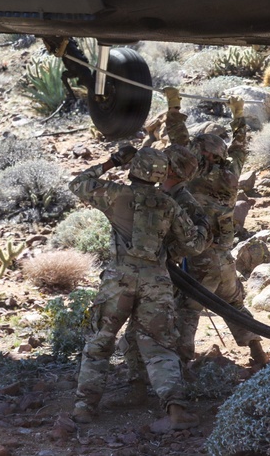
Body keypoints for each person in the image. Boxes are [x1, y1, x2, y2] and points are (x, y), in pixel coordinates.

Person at [69, 145, 205, 429]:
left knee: (100, 340)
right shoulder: (169, 204)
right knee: (160, 346)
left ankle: (85, 408)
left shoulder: (117, 194)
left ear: (135, 168)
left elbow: (77, 183)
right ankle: (176, 410)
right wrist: (202, 224)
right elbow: (194, 244)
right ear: (161, 173)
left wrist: (112, 161)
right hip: (157, 283)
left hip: (118, 281)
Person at [161, 87, 269, 367]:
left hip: (199, 257)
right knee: (234, 306)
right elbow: (240, 147)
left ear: (200, 154)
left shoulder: (192, 175)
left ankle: (181, 366)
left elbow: (178, 140)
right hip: (224, 256)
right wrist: (238, 115)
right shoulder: (232, 173)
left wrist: (174, 107)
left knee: (188, 309)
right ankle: (258, 353)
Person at [120, 143, 208, 405]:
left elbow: (193, 243)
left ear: (171, 168)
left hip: (165, 276)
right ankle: (140, 385)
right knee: (136, 333)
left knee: (156, 335)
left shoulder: (182, 201)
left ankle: (169, 393)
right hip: (153, 274)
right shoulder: (163, 195)